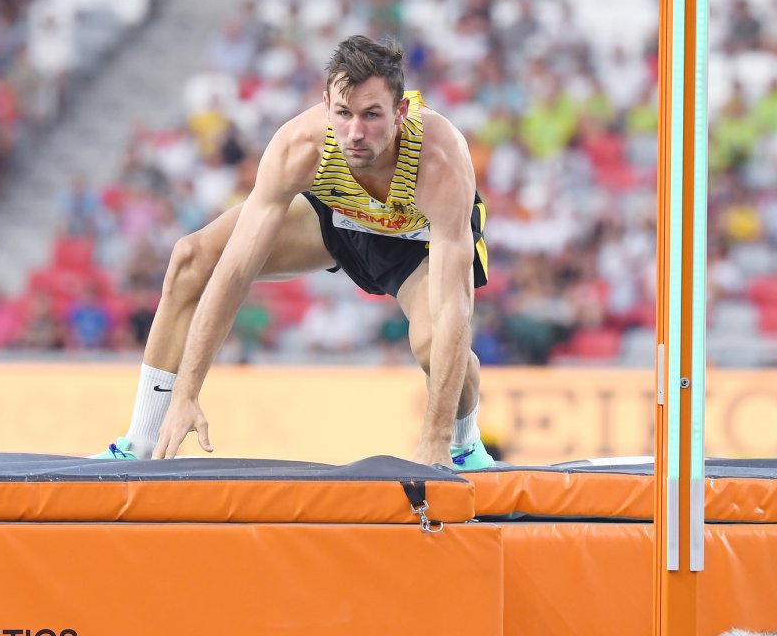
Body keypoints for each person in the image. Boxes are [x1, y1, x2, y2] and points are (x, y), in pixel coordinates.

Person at [96, 36, 494, 469]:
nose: (356, 133)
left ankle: (465, 444)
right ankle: (139, 442)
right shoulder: (300, 146)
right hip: (339, 218)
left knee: (434, 344)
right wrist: (187, 393)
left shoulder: (439, 160)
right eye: (343, 114)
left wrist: (433, 440)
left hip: (415, 246)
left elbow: (454, 310)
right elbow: (233, 273)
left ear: (400, 112)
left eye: (371, 115)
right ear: (326, 105)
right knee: (193, 259)